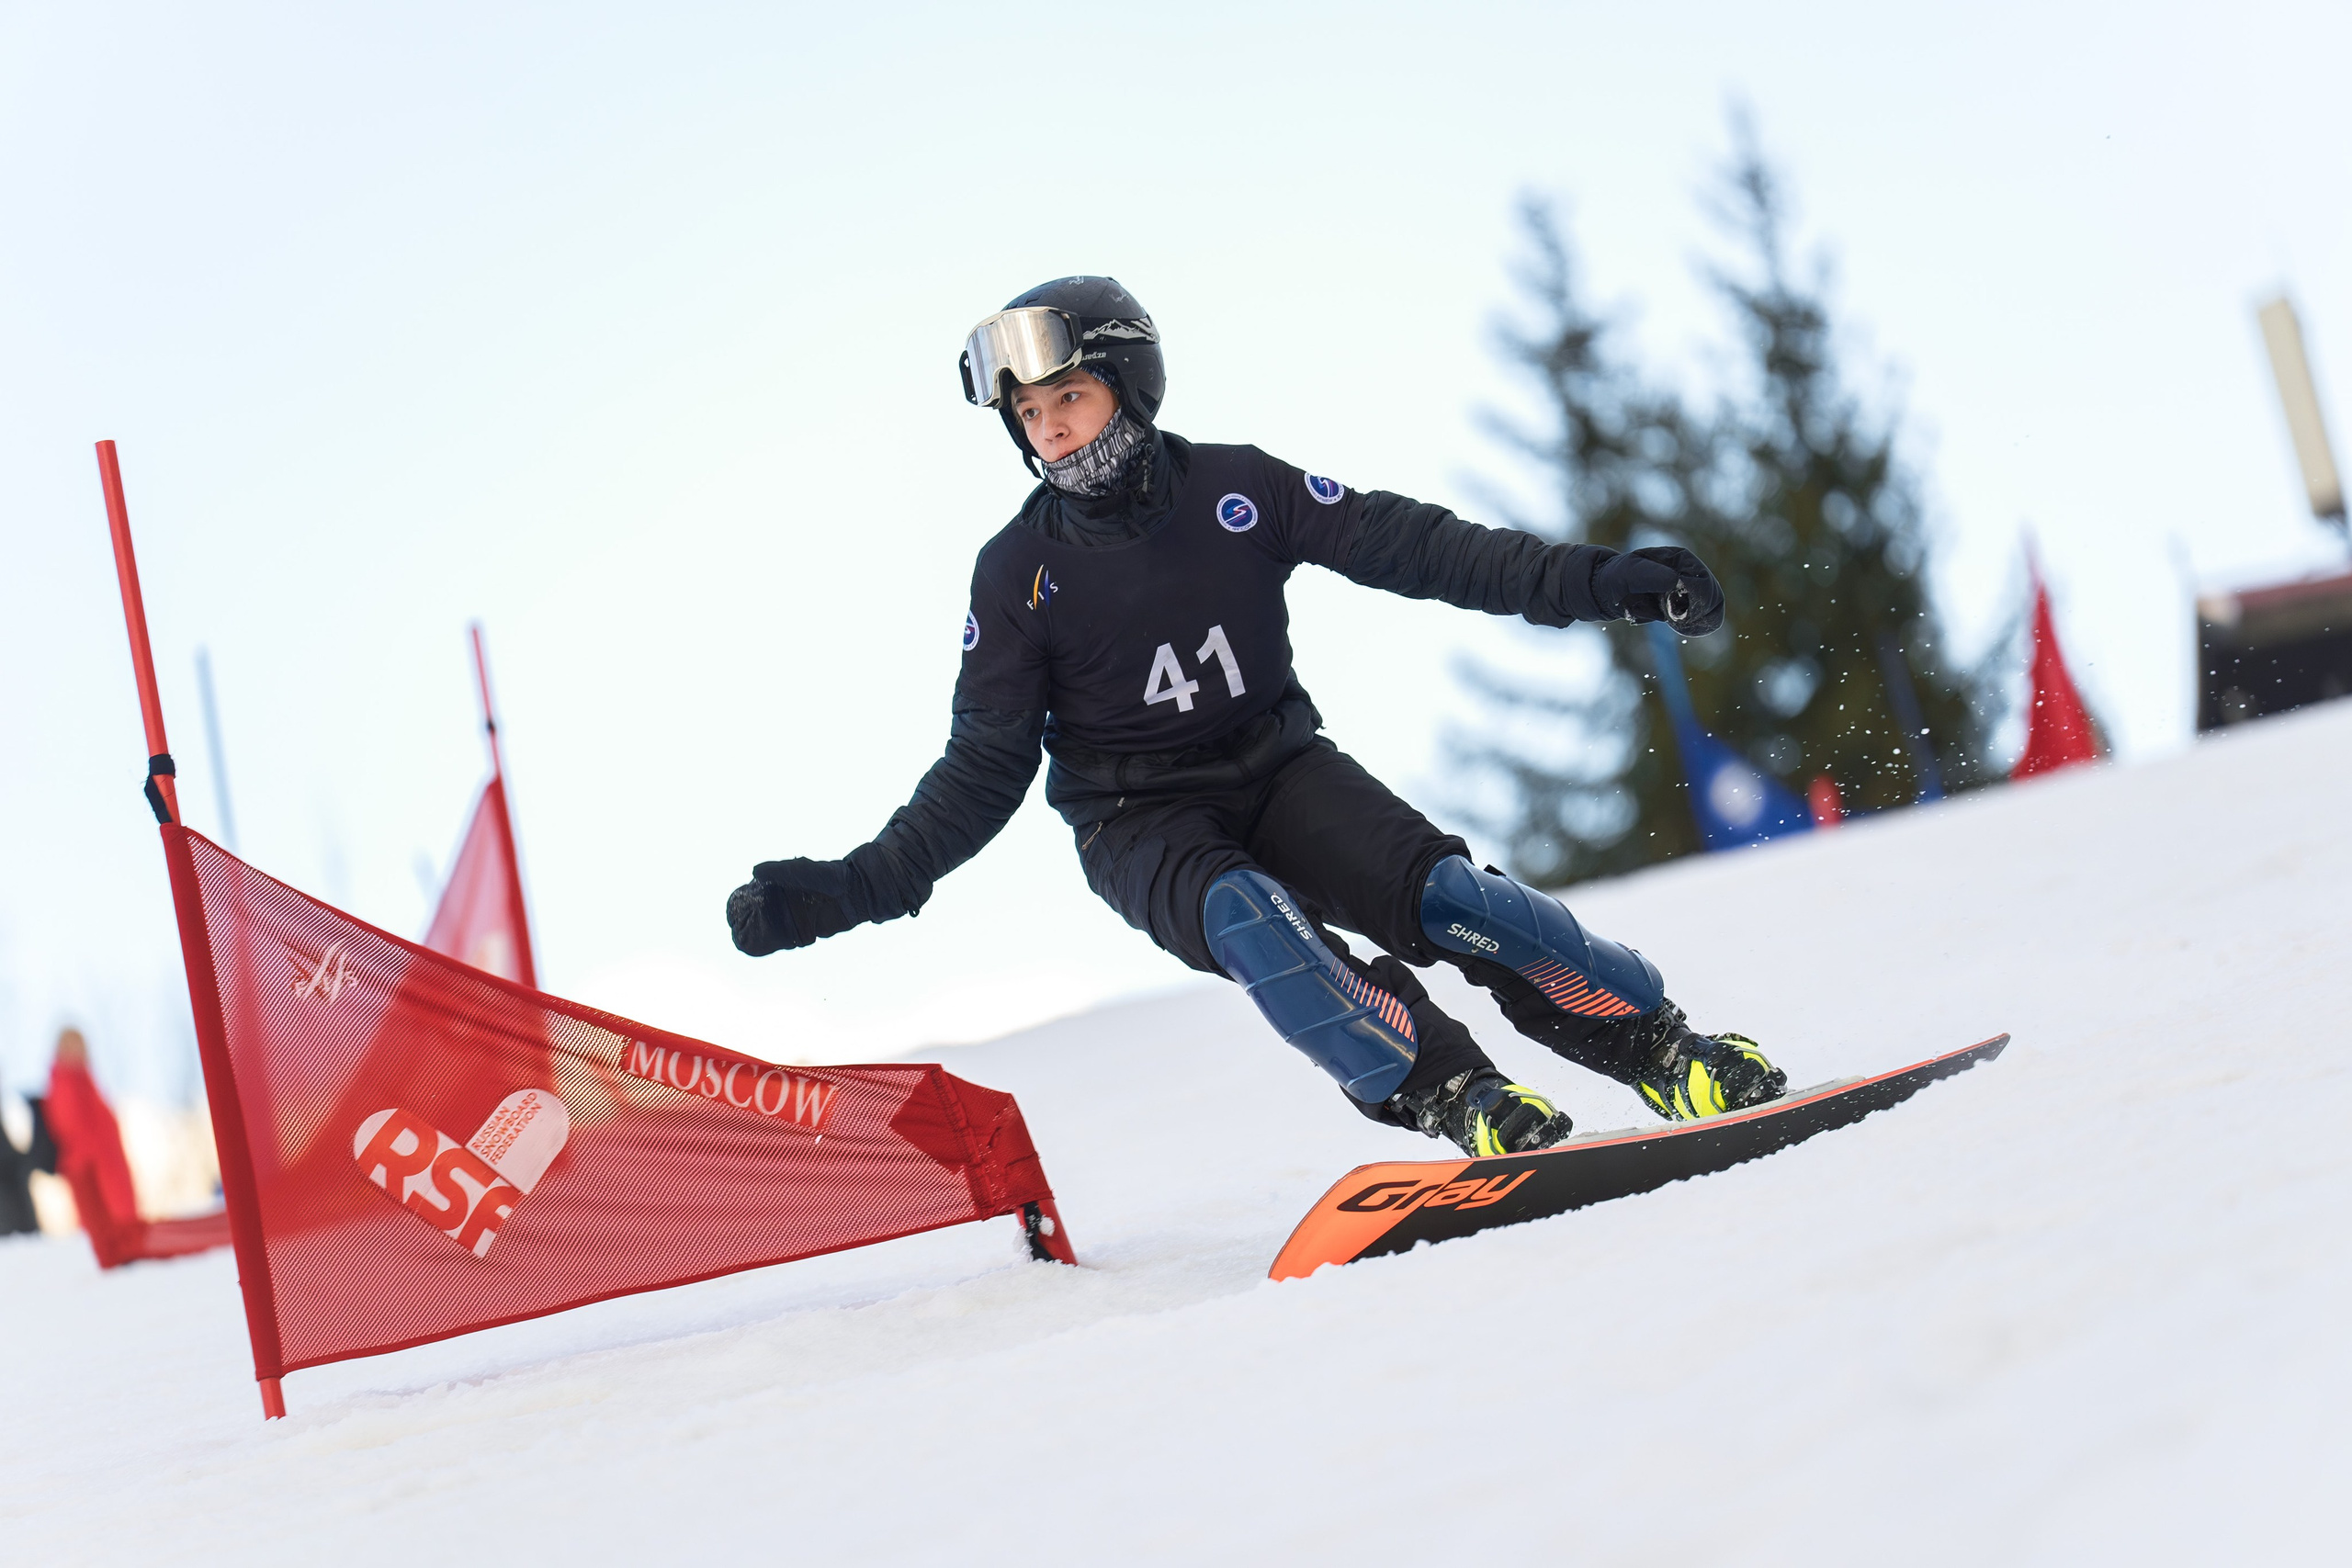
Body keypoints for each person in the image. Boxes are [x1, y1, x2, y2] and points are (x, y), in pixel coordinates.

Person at [727, 277, 1786, 1156]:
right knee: (1252, 921)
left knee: (1457, 901)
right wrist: (859, 887)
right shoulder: (1017, 574)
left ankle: (1663, 1054)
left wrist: (1604, 582)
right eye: (1027, 414)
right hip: (1137, 823)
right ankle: (1456, 1094)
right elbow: (981, 769)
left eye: (1069, 399)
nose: (1047, 429)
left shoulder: (1235, 490)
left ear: (1128, 388)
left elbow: (1420, 547)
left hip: (1281, 773)